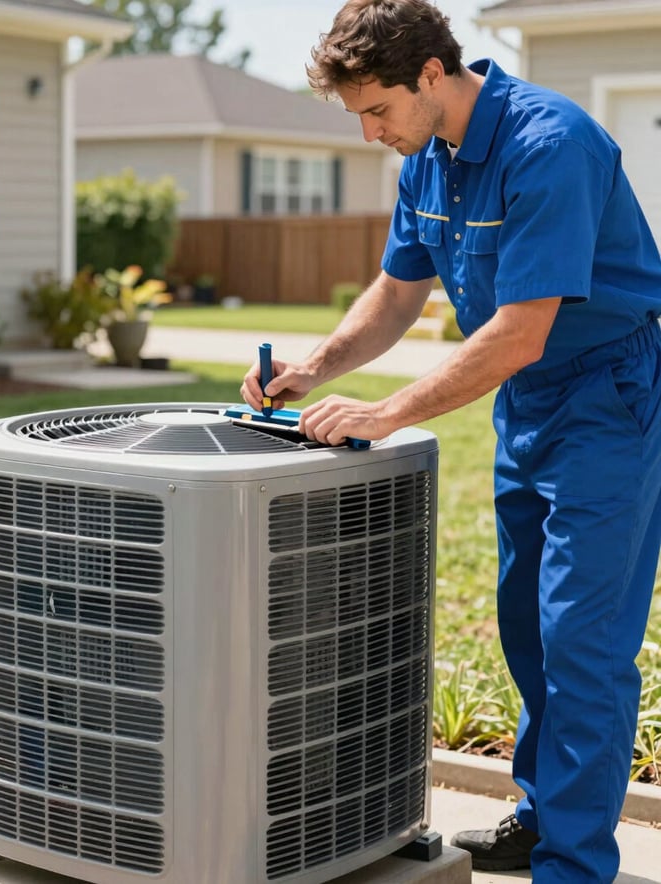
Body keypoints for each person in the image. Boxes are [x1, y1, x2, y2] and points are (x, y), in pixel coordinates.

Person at [240, 1, 661, 880]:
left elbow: (519, 333)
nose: (369, 132)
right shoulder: (427, 161)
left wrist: (384, 413)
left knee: (582, 638)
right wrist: (314, 369)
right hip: (529, 405)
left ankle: (574, 867)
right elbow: (398, 296)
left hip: (608, 398)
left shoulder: (552, 145)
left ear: (432, 73)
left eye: (378, 109)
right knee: (528, 629)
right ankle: (545, 818)